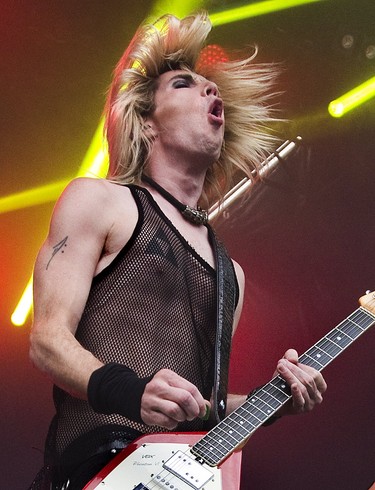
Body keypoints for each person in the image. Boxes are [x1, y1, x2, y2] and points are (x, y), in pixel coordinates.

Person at [29, 11, 327, 489]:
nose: (212, 91)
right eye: (185, 84)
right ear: (145, 124)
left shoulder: (232, 273)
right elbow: (47, 340)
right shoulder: (102, 200)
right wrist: (130, 392)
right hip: (88, 472)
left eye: (212, 86)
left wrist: (275, 402)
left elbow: (206, 415)